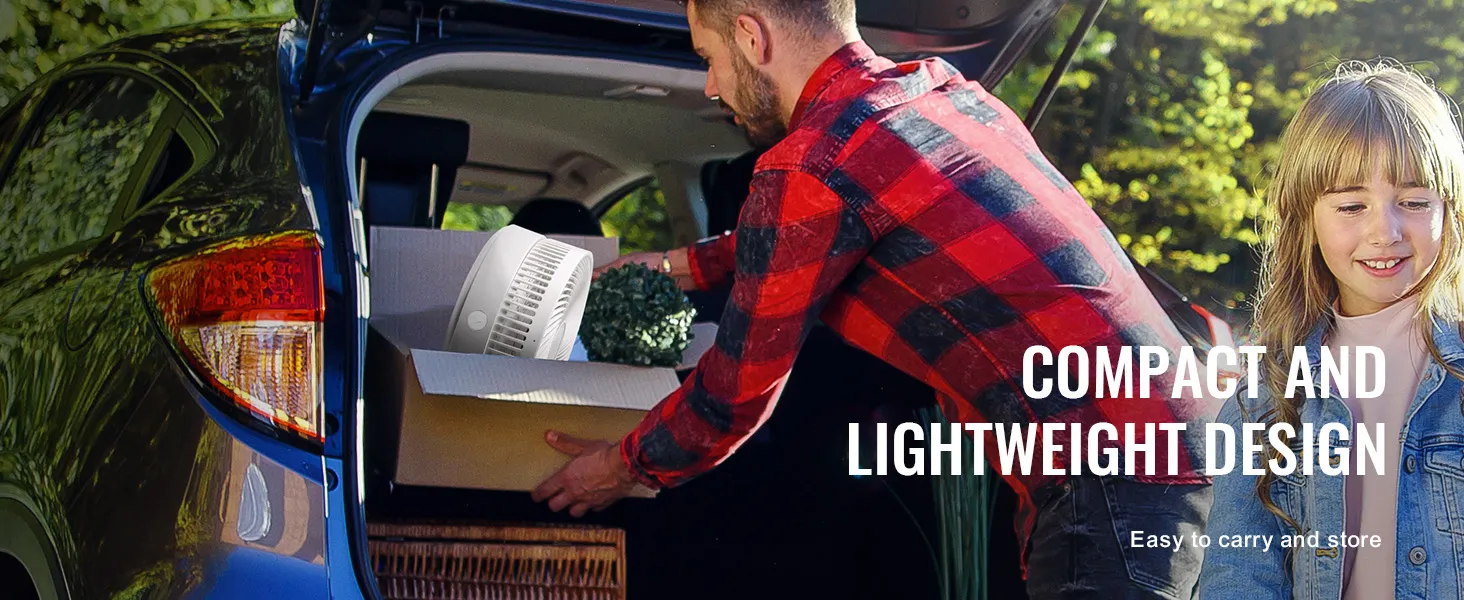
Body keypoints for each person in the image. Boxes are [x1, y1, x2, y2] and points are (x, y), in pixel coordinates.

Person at [530, 1, 1215, 596]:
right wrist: (684, 265)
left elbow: (731, 399)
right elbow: (818, 229)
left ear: (750, 36)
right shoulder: (943, 94)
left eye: (707, 57)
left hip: (1113, 480)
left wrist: (617, 468)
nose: (710, 85)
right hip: (1193, 447)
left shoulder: (810, 163)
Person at [1198, 60, 1464, 599]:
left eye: (1414, 202)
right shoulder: (1263, 403)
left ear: (1450, 208)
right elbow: (1240, 580)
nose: (1384, 231)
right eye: (1350, 205)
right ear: (1307, 219)